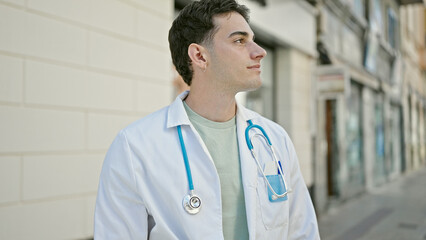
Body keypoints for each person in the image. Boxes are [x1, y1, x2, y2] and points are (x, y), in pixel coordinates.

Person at [94, 0, 320, 239]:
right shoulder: (135, 146)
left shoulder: (274, 139)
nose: (260, 51)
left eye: (252, 39)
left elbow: (302, 230)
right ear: (200, 56)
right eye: (240, 40)